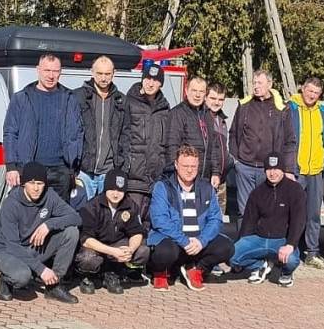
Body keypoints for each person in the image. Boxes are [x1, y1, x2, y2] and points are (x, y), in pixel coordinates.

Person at [0, 161, 80, 304]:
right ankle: (6, 279)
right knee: (22, 277)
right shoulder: (11, 203)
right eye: (32, 183)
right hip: (6, 251)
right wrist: (41, 269)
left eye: (40, 183)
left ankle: (53, 285)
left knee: (71, 232)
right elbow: (12, 245)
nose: (36, 188)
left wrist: (49, 224)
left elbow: (76, 217)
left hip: (31, 247)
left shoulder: (50, 196)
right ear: (23, 184)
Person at [146, 145, 233, 292]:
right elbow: (159, 220)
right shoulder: (163, 187)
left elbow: (215, 219)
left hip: (197, 242)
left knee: (226, 247)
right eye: (185, 166)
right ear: (176, 165)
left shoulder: (207, 188)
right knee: (165, 252)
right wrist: (184, 240)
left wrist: (202, 240)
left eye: (193, 166)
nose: (189, 170)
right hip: (174, 241)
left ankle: (196, 269)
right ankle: (161, 272)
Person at [2, 53, 82, 202]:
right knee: (29, 214)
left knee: (58, 215)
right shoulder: (21, 98)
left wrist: (73, 165)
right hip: (30, 168)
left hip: (61, 171)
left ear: (60, 72)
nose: (51, 76)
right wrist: (11, 166)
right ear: (38, 70)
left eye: (55, 71)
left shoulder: (69, 98)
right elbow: (10, 133)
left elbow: (78, 133)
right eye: (47, 70)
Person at [230, 154, 306, 288]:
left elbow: (298, 220)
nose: (272, 173)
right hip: (259, 238)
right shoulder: (257, 192)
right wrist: (241, 243)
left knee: (291, 260)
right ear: (265, 171)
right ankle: (260, 266)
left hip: (282, 240)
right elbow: (248, 222)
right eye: (269, 169)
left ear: (283, 170)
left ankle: (286, 273)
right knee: (230, 255)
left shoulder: (295, 190)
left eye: (276, 169)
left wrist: (290, 244)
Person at [229, 70, 297, 217]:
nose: (256, 86)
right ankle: (246, 233)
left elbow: (290, 141)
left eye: (260, 83)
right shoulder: (244, 106)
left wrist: (288, 169)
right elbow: (233, 133)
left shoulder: (282, 109)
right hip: (244, 167)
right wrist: (236, 161)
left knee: (267, 212)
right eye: (254, 83)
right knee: (245, 212)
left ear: (270, 84)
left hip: (269, 169)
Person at [74, 169, 149, 295]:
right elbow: (86, 240)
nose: (116, 194)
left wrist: (130, 250)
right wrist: (113, 252)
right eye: (112, 189)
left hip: (117, 245)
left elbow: (136, 232)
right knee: (87, 258)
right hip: (95, 247)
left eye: (120, 190)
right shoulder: (92, 206)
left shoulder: (130, 205)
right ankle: (87, 276)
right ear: (105, 188)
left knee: (142, 251)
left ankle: (112, 273)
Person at [288, 76, 324, 270]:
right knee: (293, 213)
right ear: (303, 89)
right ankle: (291, 250)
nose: (312, 95)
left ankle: (312, 253)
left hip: (315, 170)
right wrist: (287, 168)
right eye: (310, 91)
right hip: (296, 171)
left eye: (316, 93)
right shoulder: (291, 108)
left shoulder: (323, 112)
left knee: (313, 214)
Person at [122, 63, 170, 222]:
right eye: (147, 79)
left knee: (152, 223)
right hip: (134, 180)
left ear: (161, 84)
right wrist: (126, 167)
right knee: (131, 223)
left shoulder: (165, 108)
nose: (150, 83)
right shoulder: (129, 102)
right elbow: (122, 137)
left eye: (155, 80)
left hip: (156, 180)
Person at [74, 55, 126, 202]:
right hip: (84, 172)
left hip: (109, 171)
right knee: (82, 212)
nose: (103, 78)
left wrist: (122, 165)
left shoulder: (121, 100)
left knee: (106, 213)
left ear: (114, 73)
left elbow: (126, 135)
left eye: (107, 74)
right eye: (100, 73)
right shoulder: (78, 97)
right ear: (92, 72)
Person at [165, 76, 227, 188]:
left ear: (205, 94)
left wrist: (215, 172)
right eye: (194, 90)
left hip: (204, 179)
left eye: (201, 91)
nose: (197, 95)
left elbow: (212, 147)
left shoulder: (207, 114)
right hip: (184, 179)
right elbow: (172, 147)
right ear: (186, 91)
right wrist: (177, 177)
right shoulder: (177, 114)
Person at [204, 82, 233, 215]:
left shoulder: (221, 120)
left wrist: (230, 162)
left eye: (220, 99)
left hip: (222, 178)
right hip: (206, 178)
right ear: (205, 97)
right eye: (213, 98)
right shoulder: (201, 117)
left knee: (219, 218)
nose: (216, 102)